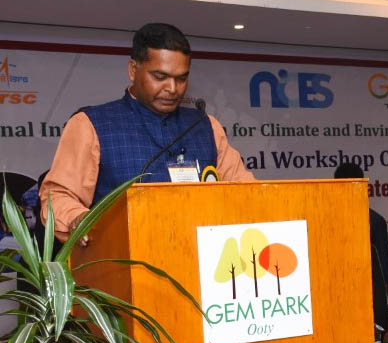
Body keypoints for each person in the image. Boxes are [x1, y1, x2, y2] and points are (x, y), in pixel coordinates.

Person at [40, 23, 254, 243]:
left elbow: (247, 192)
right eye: (160, 77)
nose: (172, 88)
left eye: (181, 79)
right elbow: (58, 196)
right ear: (133, 70)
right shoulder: (90, 125)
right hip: (123, 257)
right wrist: (77, 218)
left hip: (203, 255)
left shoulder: (205, 125)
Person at [334, 162, 388, 332]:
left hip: (368, 299)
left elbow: (384, 270)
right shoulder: (326, 217)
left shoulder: (374, 221)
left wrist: (383, 307)